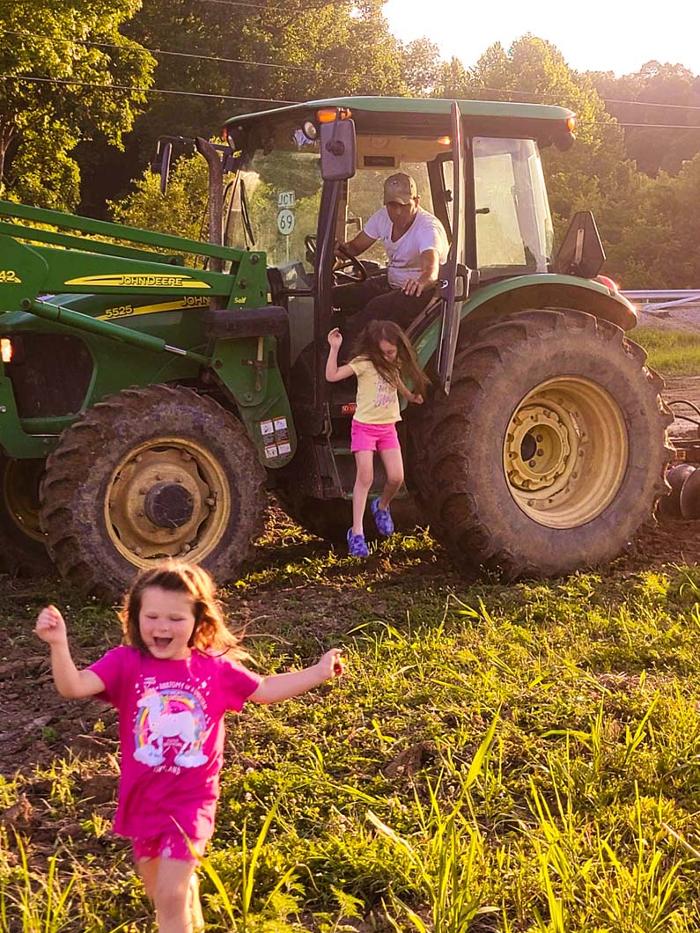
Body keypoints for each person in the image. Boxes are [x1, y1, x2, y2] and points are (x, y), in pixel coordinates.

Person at [34, 560, 344, 933]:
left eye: (176, 619)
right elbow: (73, 686)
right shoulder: (125, 663)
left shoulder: (215, 669)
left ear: (199, 621)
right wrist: (59, 644)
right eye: (152, 616)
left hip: (190, 801)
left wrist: (319, 672)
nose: (162, 627)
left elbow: (265, 689)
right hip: (143, 801)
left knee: (169, 897)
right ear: (135, 617)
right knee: (161, 890)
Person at [326, 320, 428, 558]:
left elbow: (396, 382)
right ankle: (357, 533)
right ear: (373, 349)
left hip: (387, 428)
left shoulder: (394, 364)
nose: (388, 357)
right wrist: (334, 347)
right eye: (383, 353)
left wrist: (410, 396)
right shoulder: (363, 364)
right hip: (365, 428)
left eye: (391, 352)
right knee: (366, 477)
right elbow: (332, 376)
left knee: (396, 477)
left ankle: (381, 506)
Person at [334, 172, 449, 335]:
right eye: (392, 206)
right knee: (339, 296)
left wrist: (420, 282)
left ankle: (349, 356)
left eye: (404, 206)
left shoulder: (427, 228)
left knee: (373, 310)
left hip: (422, 293)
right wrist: (335, 251)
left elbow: (431, 271)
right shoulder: (381, 218)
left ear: (416, 201)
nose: (398, 212)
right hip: (393, 284)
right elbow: (354, 248)